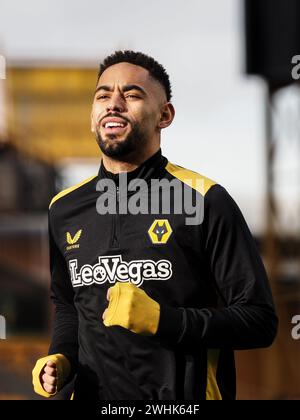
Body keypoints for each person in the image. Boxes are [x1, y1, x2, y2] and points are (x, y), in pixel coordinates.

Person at [32, 50, 278, 400]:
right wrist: (61, 357)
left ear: (165, 115)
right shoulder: (63, 208)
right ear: (92, 116)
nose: (113, 104)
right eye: (103, 95)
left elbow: (259, 322)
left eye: (131, 95)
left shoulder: (205, 200)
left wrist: (164, 321)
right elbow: (69, 306)